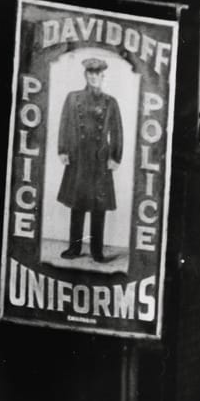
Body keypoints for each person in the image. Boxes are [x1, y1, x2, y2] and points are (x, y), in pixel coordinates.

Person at [56, 57, 123, 262]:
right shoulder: (73, 98)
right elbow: (64, 124)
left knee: (98, 207)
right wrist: (63, 150)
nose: (94, 77)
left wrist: (115, 156)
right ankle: (74, 248)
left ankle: (97, 251)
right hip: (78, 157)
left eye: (97, 74)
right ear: (86, 75)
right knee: (77, 205)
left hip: (100, 159)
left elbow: (117, 131)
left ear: (103, 76)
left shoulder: (110, 102)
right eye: (90, 73)